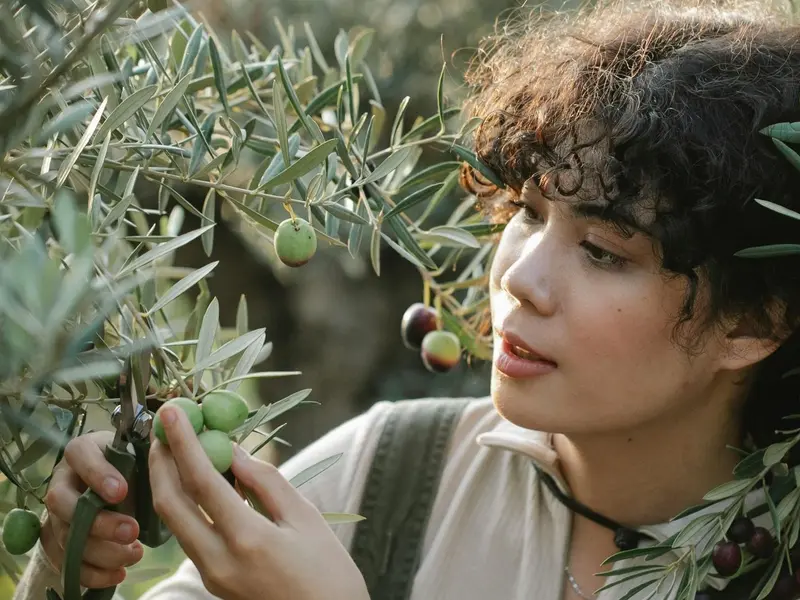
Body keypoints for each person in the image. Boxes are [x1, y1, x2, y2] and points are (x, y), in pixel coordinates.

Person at [12, 0, 800, 598]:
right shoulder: (387, 474)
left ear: (756, 319)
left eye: (602, 251)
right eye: (528, 211)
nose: (518, 277)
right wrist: (64, 571)